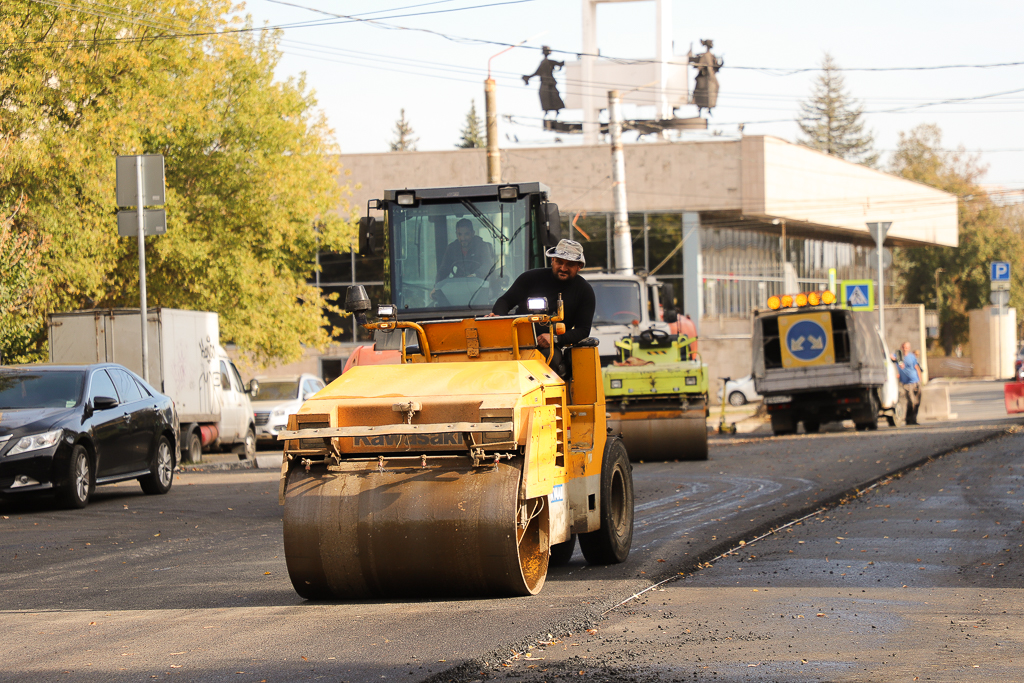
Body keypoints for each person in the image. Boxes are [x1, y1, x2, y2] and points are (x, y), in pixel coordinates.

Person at [490, 239, 595, 374]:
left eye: (570, 264)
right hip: (516, 340)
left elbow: (583, 330)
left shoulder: (584, 291)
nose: (563, 268)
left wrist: (555, 338)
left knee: (549, 363)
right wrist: (499, 319)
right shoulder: (530, 278)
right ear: (552, 260)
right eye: (559, 262)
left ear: (579, 266)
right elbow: (505, 301)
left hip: (549, 347)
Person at [894, 341, 923, 425]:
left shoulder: (912, 357)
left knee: (917, 402)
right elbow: (890, 357)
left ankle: (913, 419)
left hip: (915, 381)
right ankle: (909, 419)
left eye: (906, 347)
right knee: (911, 401)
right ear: (901, 348)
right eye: (903, 347)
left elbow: (916, 367)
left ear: (909, 348)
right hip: (906, 384)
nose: (905, 349)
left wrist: (920, 380)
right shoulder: (898, 356)